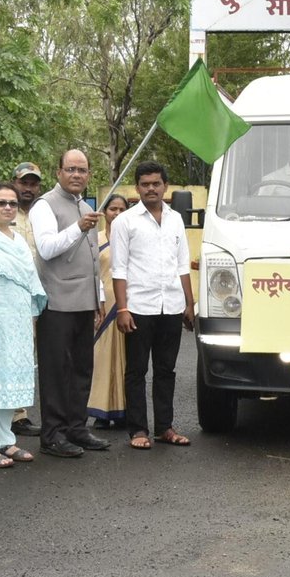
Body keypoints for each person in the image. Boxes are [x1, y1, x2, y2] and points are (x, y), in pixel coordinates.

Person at [31, 148, 108, 459]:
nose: (77, 175)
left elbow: (92, 260)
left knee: (81, 368)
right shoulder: (44, 205)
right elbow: (47, 249)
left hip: (84, 301)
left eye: (83, 170)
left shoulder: (82, 205)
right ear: (58, 172)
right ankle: (53, 433)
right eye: (71, 169)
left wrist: (99, 296)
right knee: (56, 370)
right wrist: (79, 227)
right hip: (57, 301)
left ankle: (77, 427)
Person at [113, 163, 196, 449]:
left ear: (165, 187)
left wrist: (189, 303)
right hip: (138, 307)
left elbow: (182, 263)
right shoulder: (124, 221)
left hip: (171, 305)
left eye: (156, 183)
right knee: (136, 371)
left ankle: (165, 428)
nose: (151, 188)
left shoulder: (175, 219)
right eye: (145, 184)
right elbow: (119, 269)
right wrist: (122, 309)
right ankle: (138, 430)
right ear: (136, 188)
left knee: (166, 371)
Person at [0, 182, 48, 466]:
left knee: (10, 377)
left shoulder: (18, 240)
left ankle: (5, 439)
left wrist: (31, 317)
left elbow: (30, 281)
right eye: (1, 203)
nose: (7, 208)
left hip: (17, 318)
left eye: (12, 203)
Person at [9, 160, 46, 437]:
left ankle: (19, 414)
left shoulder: (42, 214)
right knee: (6, 355)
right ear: (14, 183)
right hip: (6, 297)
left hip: (37, 298)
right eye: (24, 182)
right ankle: (5, 414)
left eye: (33, 184)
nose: (29, 188)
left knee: (26, 356)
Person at [87, 194, 129, 430]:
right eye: (113, 209)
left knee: (126, 360)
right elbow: (92, 272)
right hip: (103, 305)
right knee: (101, 359)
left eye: (122, 209)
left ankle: (125, 411)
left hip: (126, 305)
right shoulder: (96, 238)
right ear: (105, 212)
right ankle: (101, 412)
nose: (117, 213)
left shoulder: (132, 239)